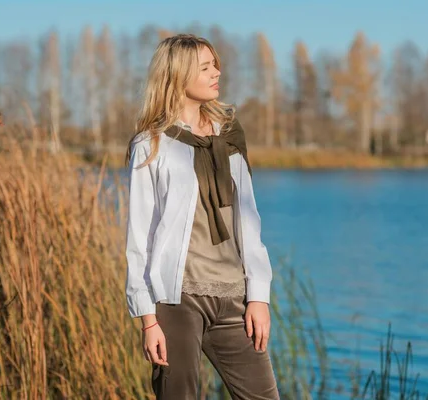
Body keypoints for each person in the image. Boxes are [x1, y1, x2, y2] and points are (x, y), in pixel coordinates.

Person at [124, 33, 279, 400]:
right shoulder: (151, 144)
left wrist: (259, 296)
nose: (217, 73)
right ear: (177, 76)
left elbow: (249, 222)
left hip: (233, 296)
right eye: (205, 67)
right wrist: (148, 320)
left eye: (216, 64)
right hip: (177, 301)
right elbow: (139, 236)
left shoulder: (229, 138)